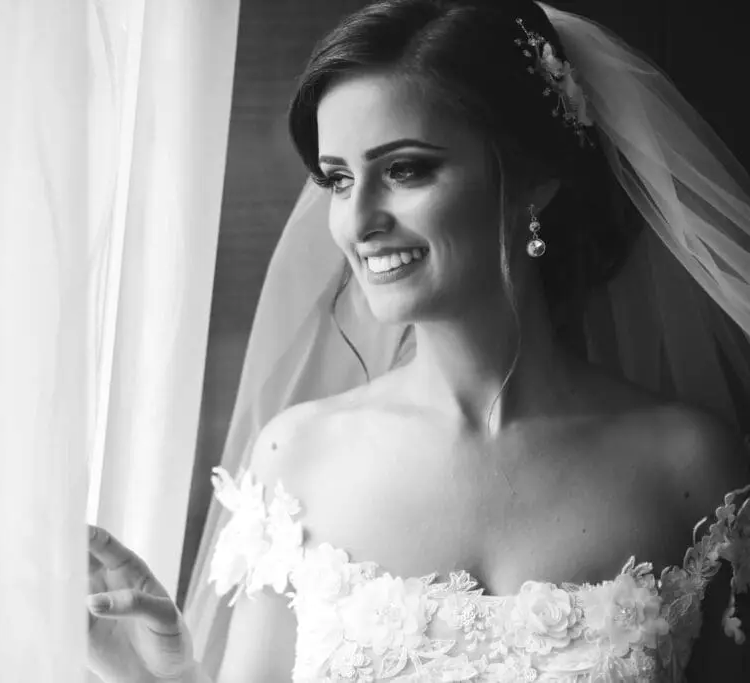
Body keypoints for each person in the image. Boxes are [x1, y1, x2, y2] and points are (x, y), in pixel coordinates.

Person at [87, 0, 750, 680]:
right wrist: (153, 673)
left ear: (532, 181)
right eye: (338, 178)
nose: (358, 219)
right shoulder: (296, 463)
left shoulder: (691, 470)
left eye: (404, 169)